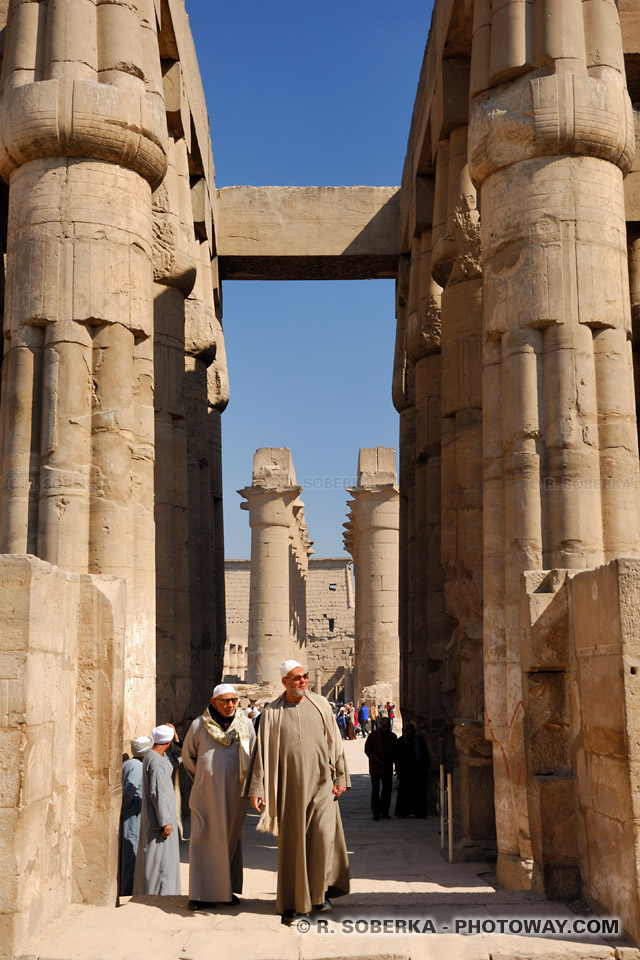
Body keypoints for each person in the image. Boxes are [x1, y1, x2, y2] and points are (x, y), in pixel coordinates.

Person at [246, 659, 350, 924]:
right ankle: (296, 901)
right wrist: (257, 788)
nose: (303, 680)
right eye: (296, 678)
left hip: (322, 786)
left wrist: (341, 776)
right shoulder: (272, 712)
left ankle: (320, 893)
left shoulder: (321, 704)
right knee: (293, 845)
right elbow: (262, 754)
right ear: (285, 682)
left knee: (323, 837)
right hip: (288, 788)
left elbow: (335, 744)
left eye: (304, 676)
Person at [182, 683, 256, 910]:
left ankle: (225, 892)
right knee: (202, 841)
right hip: (206, 794)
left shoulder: (246, 725)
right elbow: (188, 757)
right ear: (214, 702)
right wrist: (205, 778)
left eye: (233, 700)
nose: (230, 704)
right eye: (225, 700)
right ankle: (198, 894)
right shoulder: (198, 725)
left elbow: (253, 757)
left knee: (229, 841)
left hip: (235, 795)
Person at [133, 724, 181, 895]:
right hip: (160, 823)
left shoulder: (154, 756)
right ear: (167, 743)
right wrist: (165, 821)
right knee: (161, 862)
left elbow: (180, 757)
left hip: (159, 819)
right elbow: (158, 793)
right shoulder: (157, 762)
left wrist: (175, 737)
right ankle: (160, 896)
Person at [119, 735, 153, 895]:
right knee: (131, 852)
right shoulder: (138, 767)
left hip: (130, 812)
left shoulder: (128, 763)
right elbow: (130, 789)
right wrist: (124, 807)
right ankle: (127, 890)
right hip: (133, 813)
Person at [394, 723, 431, 818]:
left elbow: (425, 755)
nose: (409, 733)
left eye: (411, 731)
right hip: (405, 771)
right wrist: (398, 769)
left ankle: (420, 812)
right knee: (405, 792)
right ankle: (404, 812)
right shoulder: (401, 741)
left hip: (418, 770)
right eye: (408, 731)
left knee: (419, 793)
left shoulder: (419, 740)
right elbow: (397, 757)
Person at [364, 716, 397, 821]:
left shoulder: (392, 737)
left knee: (387, 791)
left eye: (387, 726)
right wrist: (375, 758)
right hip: (375, 767)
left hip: (387, 767)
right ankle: (376, 812)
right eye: (384, 726)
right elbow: (367, 749)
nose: (385, 728)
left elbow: (396, 752)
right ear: (380, 725)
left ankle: (385, 812)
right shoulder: (373, 736)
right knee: (375, 790)